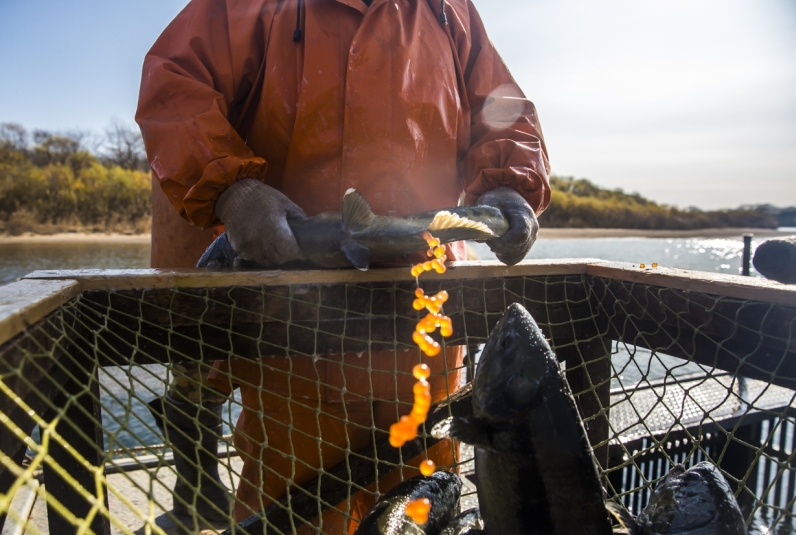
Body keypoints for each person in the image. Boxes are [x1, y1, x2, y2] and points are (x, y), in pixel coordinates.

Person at [136, 0, 550, 531]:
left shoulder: (450, 10)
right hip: (296, 333)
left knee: (423, 506)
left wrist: (511, 184)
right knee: (294, 515)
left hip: (427, 328)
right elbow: (174, 81)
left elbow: (503, 109)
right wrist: (231, 189)